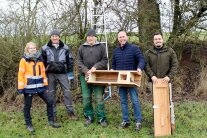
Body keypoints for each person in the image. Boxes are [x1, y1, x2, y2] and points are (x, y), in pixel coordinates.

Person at [17, 42, 61, 132]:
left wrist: (46, 86)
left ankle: (51, 121)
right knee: (28, 106)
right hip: (28, 88)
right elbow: (20, 74)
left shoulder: (40, 59)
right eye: (30, 48)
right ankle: (29, 125)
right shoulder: (24, 60)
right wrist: (21, 88)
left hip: (41, 87)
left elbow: (43, 73)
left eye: (34, 48)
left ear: (36, 49)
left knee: (50, 101)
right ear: (27, 50)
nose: (33, 49)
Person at [41, 29, 78, 121]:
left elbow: (70, 61)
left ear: (59, 37)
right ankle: (53, 115)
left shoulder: (65, 47)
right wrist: (43, 74)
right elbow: (41, 62)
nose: (54, 37)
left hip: (63, 74)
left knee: (67, 93)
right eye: (53, 36)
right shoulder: (44, 48)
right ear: (50, 37)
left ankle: (71, 113)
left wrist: (70, 74)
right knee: (51, 94)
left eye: (56, 36)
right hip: (50, 74)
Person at [112, 31, 145, 131]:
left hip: (131, 80)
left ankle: (138, 121)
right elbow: (113, 64)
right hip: (121, 81)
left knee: (134, 100)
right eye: (120, 37)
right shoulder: (116, 51)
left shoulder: (134, 48)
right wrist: (113, 70)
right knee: (123, 101)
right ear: (118, 39)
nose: (122, 38)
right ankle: (125, 120)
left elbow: (141, 60)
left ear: (127, 37)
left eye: (123, 37)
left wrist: (139, 68)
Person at [77, 29, 108, 127]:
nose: (90, 38)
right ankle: (89, 116)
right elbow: (78, 61)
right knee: (86, 98)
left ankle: (101, 118)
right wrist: (86, 70)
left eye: (92, 36)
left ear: (95, 37)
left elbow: (105, 60)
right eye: (88, 36)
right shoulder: (82, 47)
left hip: (98, 75)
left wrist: (95, 67)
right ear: (87, 38)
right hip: (85, 76)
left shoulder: (101, 47)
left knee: (99, 97)